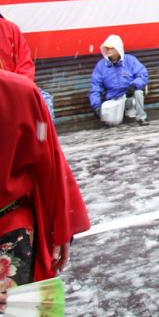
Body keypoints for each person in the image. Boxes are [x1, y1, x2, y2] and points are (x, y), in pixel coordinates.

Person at [0, 70, 90, 303]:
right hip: (13, 232)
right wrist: (61, 226)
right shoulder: (19, 91)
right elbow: (49, 162)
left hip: (13, 230)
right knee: (26, 308)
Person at [89, 34, 149, 126]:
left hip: (128, 98)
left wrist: (134, 85)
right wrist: (96, 106)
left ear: (118, 48)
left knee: (138, 93)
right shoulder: (101, 66)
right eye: (107, 48)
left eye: (111, 48)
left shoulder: (130, 60)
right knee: (112, 124)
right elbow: (95, 87)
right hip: (113, 100)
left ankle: (142, 118)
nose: (108, 50)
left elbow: (143, 75)